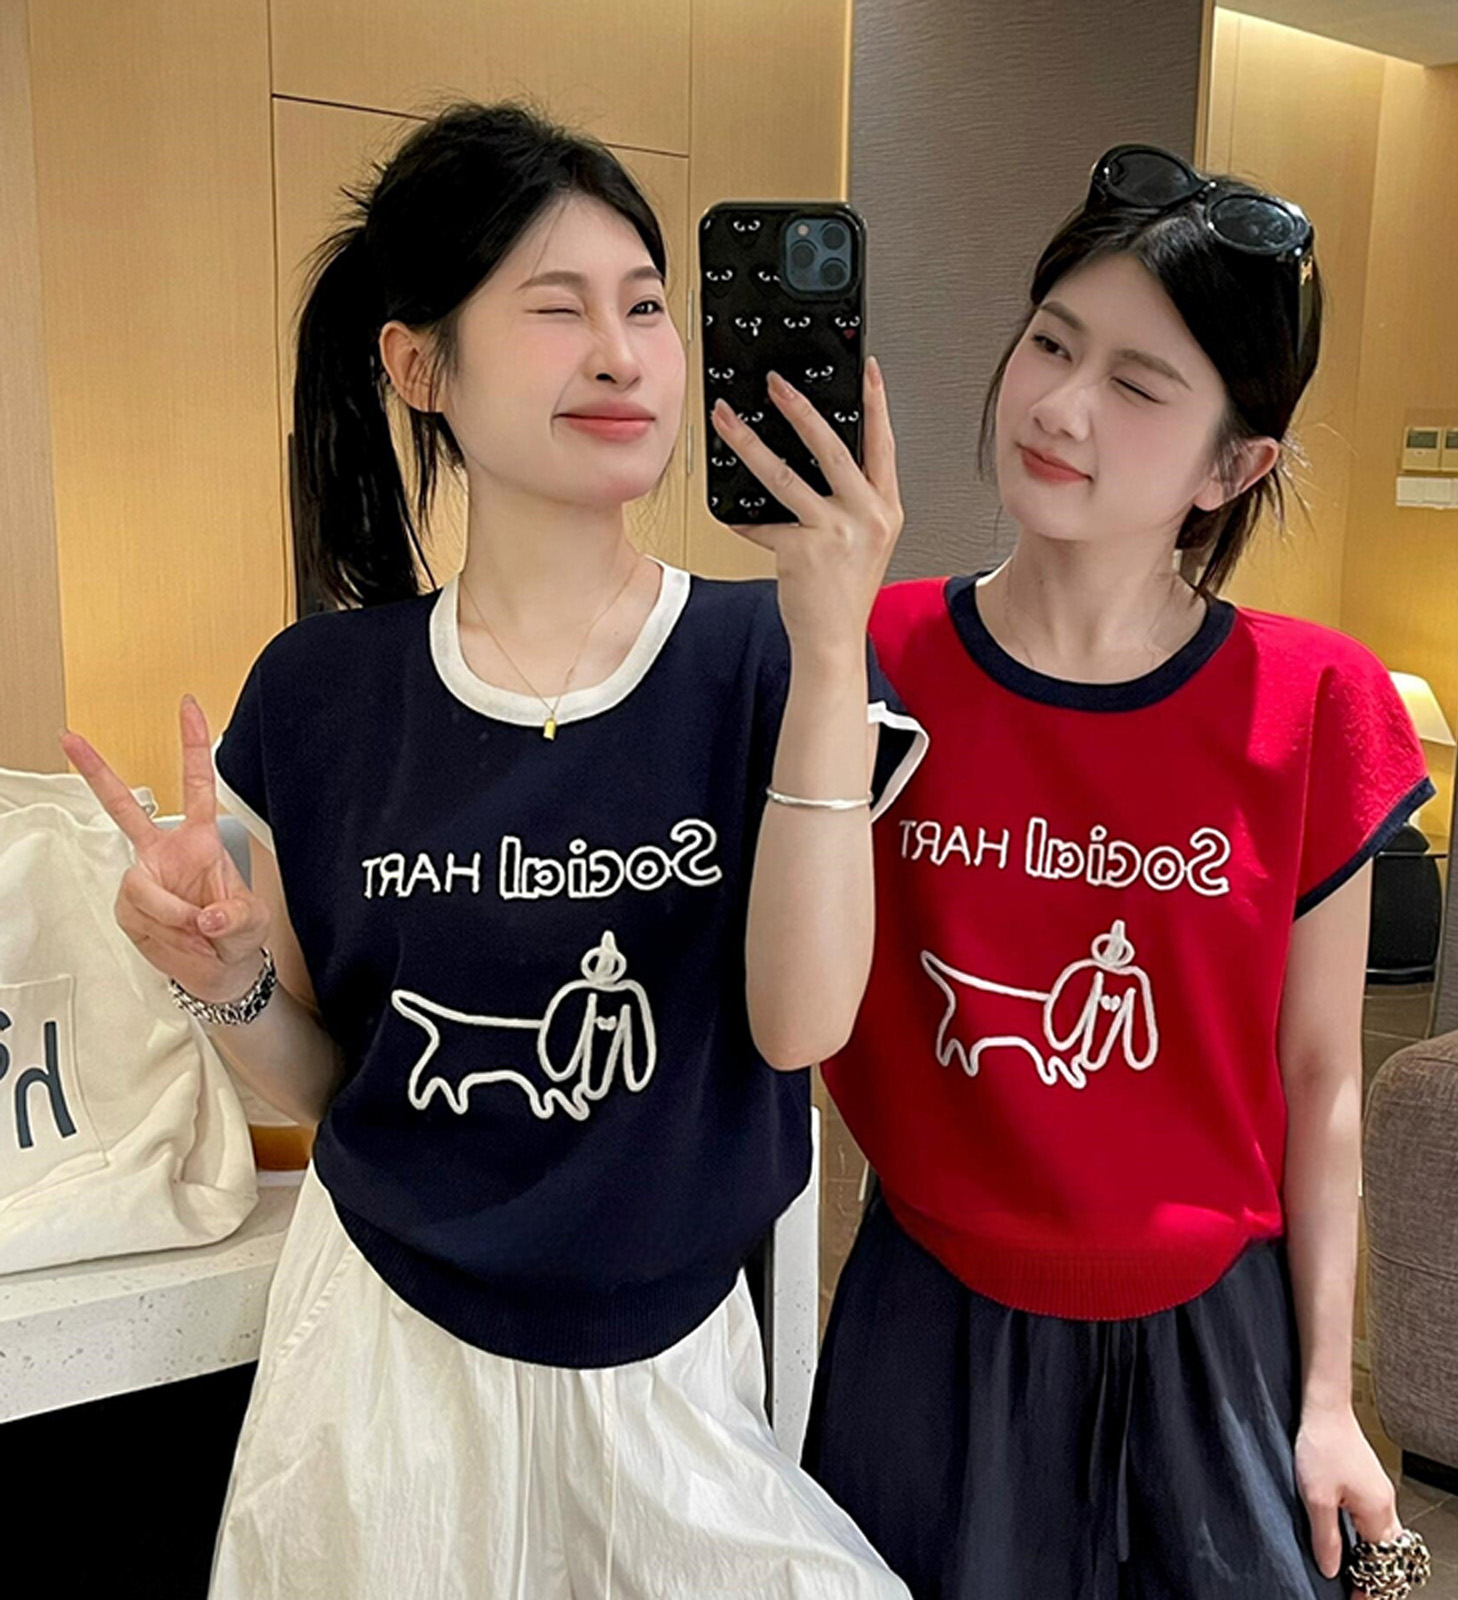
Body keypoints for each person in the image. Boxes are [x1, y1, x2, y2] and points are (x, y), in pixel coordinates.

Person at [64, 102, 922, 1600]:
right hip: (379, 1368)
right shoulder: (319, 693)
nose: (622, 354)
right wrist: (229, 976)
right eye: (556, 307)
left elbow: (801, 1028)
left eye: (645, 307)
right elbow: (331, 1085)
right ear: (419, 366)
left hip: (668, 1375)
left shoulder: (771, 658)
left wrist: (834, 636)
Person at [804, 144, 1435, 1600]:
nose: (1060, 404)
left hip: (1212, 1346)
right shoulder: (874, 658)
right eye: (1052, 342)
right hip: (929, 1330)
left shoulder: (1314, 704)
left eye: (1139, 385)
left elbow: (1322, 1076)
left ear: (1234, 466)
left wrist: (1329, 1399)